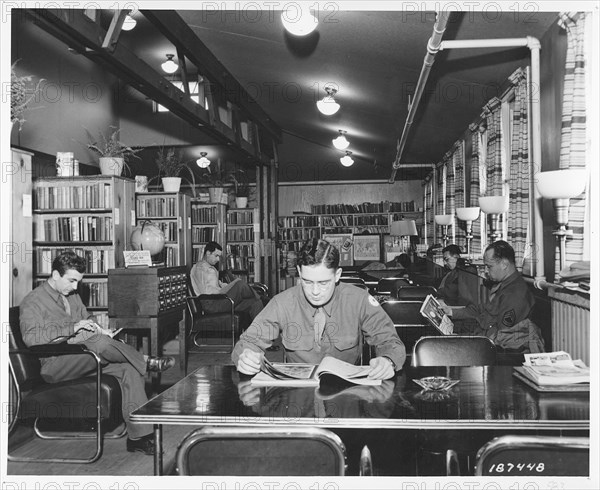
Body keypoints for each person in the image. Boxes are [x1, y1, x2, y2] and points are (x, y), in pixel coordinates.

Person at [19, 250, 175, 455]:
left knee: (128, 368)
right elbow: (31, 339)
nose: (75, 287)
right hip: (55, 364)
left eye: (78, 282)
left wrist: (96, 328)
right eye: (72, 281)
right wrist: (73, 329)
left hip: (82, 355)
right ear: (55, 275)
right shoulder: (33, 301)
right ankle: (146, 361)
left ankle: (139, 437)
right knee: (97, 343)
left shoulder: (71, 296)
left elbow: (86, 318)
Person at [233, 238, 406, 379]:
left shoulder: (359, 300)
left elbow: (389, 341)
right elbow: (248, 342)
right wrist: (246, 357)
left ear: (337, 275)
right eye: (307, 282)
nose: (315, 292)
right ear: (299, 273)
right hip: (299, 397)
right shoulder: (282, 303)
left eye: (323, 283)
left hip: (346, 393)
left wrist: (388, 360)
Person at [440, 240, 543, 352]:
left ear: (504, 264)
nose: (486, 271)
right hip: (482, 336)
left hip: (492, 347)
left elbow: (501, 338)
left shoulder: (515, 295)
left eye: (489, 267)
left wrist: (464, 340)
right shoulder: (504, 285)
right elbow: (482, 309)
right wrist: (450, 311)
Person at [190, 241, 263, 321]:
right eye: (216, 256)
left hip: (219, 300)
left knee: (255, 303)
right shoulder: (200, 269)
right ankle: (261, 297)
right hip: (212, 304)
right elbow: (205, 292)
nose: (218, 259)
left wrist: (229, 286)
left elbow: (217, 284)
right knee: (240, 284)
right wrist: (224, 290)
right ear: (208, 253)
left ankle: (260, 332)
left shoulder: (209, 267)